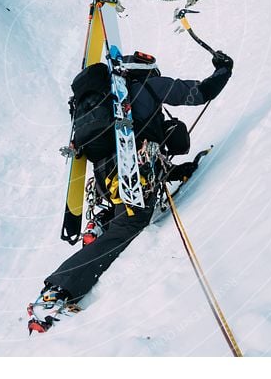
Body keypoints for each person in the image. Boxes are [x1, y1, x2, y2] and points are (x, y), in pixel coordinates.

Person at [27, 49, 234, 332]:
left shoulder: (106, 102)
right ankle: (58, 291)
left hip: (108, 179)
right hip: (133, 174)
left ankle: (102, 221)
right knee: (131, 223)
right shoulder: (147, 85)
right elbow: (199, 93)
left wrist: (182, 170)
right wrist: (223, 70)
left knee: (124, 213)